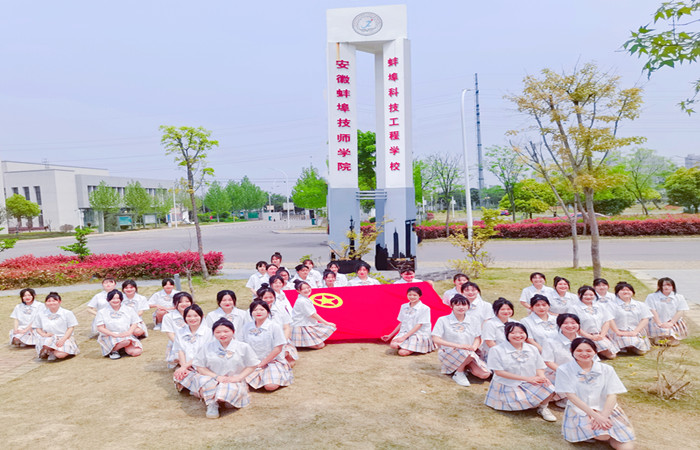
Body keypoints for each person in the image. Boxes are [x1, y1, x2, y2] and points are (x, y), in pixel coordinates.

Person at [555, 337, 635, 448]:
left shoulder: (606, 369)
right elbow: (572, 397)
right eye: (579, 350)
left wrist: (603, 416)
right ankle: (591, 435)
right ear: (572, 351)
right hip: (582, 411)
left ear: (595, 351)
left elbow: (612, 395)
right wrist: (596, 416)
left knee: (626, 443)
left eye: (588, 350)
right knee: (604, 435)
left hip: (606, 409)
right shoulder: (564, 370)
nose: (584, 354)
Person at [484, 322, 557, 422]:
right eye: (513, 333)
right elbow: (499, 372)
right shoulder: (497, 350)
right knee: (519, 404)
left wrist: (542, 377)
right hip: (508, 383)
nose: (518, 335)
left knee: (550, 387)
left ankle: (543, 408)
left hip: (529, 381)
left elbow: (539, 366)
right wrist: (527, 379)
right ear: (506, 334)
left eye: (521, 332)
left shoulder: (532, 348)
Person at [193, 318, 260, 419]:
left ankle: (227, 399)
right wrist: (216, 377)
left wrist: (238, 377)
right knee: (203, 383)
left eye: (226, 331)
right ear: (213, 333)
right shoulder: (207, 347)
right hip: (212, 378)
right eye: (218, 332)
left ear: (233, 331)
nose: (222, 334)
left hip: (233, 379)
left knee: (226, 398)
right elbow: (200, 366)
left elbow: (252, 365)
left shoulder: (243, 347)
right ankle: (212, 404)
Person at [431, 294, 490, 386]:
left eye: (464, 305)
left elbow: (477, 337)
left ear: (468, 306)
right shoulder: (443, 320)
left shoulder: (474, 320)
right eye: (457, 305)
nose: (461, 307)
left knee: (485, 374)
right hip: (449, 351)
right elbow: (436, 339)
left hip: (469, 353)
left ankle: (462, 367)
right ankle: (459, 373)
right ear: (452, 306)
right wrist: (459, 346)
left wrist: (474, 347)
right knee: (467, 353)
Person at [240, 300, 294, 391]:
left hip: (272, 361)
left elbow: (278, 348)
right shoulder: (247, 327)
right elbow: (242, 345)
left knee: (270, 386)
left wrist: (262, 363)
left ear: (268, 312)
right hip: (252, 362)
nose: (258, 312)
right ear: (251, 312)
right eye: (255, 310)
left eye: (262, 309)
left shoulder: (274, 326)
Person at [542, 313, 582, 407]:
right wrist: (566, 371)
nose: (570, 326)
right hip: (556, 372)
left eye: (573, 323)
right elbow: (548, 361)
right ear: (559, 325)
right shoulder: (550, 341)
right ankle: (564, 398)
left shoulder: (583, 341)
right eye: (565, 323)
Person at [382, 286, 436, 356]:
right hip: (405, 332)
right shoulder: (404, 306)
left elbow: (419, 325)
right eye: (409, 295)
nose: (412, 297)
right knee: (393, 345)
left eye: (414, 295)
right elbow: (402, 322)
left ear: (419, 296)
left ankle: (413, 348)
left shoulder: (425, 308)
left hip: (418, 334)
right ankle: (408, 346)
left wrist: (404, 337)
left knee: (402, 353)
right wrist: (390, 335)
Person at [570, 286, 618, 359]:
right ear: (579, 295)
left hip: (599, 335)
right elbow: (575, 326)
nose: (588, 297)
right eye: (585, 295)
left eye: (591, 295)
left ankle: (597, 352)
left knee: (612, 355)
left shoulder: (600, 306)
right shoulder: (574, 308)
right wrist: (590, 337)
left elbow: (607, 321)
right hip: (584, 336)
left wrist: (602, 335)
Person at [173, 305, 211, 394]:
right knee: (179, 375)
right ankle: (193, 386)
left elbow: (203, 354)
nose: (192, 319)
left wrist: (185, 367)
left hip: (203, 365)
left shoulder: (208, 332)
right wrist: (184, 367)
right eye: (189, 316)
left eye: (196, 316)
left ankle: (193, 387)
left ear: (202, 316)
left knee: (202, 379)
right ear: (184, 318)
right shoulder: (180, 332)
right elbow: (180, 351)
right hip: (187, 366)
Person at [95, 289, 143, 359]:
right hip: (110, 335)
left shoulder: (129, 309)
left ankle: (121, 348)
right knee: (126, 342)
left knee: (136, 352)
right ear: (108, 299)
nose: (115, 300)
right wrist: (114, 334)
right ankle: (113, 350)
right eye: (113, 298)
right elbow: (100, 327)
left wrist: (129, 332)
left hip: (125, 334)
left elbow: (135, 322)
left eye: (117, 298)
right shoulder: (102, 312)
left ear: (121, 299)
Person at [608, 282, 652, 355]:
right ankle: (624, 347)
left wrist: (635, 331)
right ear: (617, 293)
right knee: (625, 341)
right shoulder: (611, 305)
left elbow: (645, 319)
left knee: (641, 351)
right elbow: (610, 319)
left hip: (635, 331)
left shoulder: (640, 305)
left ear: (632, 292)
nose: (625, 292)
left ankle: (631, 347)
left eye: (628, 290)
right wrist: (618, 332)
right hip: (618, 331)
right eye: (622, 290)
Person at [258, 286, 298, 366]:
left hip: (280, 340)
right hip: (263, 341)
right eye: (265, 298)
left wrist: (283, 341)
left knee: (290, 363)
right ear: (260, 298)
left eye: (271, 297)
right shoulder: (255, 310)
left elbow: (286, 327)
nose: (268, 300)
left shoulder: (280, 308)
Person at [290, 280, 336, 349]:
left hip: (307, 324)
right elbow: (313, 314)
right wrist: (326, 323)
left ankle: (304, 343)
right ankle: (300, 344)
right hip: (300, 325)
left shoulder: (305, 299)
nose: (307, 290)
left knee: (321, 344)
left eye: (308, 288)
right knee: (319, 345)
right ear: (298, 291)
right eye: (303, 289)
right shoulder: (302, 301)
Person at [34, 292, 79, 361]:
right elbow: (38, 328)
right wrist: (44, 334)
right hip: (49, 337)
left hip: (64, 337)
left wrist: (63, 339)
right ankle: (48, 350)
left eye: (54, 300)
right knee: (47, 343)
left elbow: (71, 327)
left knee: (60, 354)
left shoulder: (67, 313)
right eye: (49, 301)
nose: (51, 303)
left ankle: (53, 352)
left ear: (59, 301)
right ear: (45, 303)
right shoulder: (41, 314)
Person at [645, 277, 689, 345]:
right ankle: (658, 338)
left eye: (669, 285)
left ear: (673, 287)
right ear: (659, 287)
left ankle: (670, 338)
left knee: (671, 339)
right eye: (663, 285)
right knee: (660, 338)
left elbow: (680, 311)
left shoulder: (679, 297)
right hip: (656, 321)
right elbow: (652, 310)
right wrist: (659, 323)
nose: (666, 287)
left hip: (673, 321)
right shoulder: (651, 297)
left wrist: (671, 323)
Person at [162, 292, 194, 367]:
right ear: (175, 303)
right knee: (180, 355)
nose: (184, 304)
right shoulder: (168, 317)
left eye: (187, 301)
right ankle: (184, 366)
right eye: (180, 302)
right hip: (177, 343)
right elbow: (170, 334)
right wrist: (183, 344)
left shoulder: (196, 315)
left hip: (194, 341)